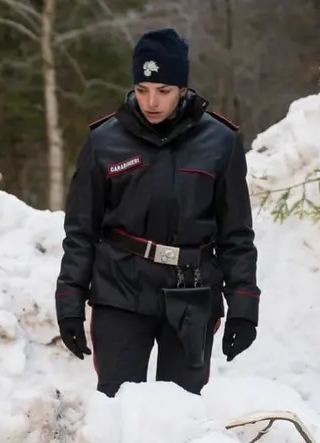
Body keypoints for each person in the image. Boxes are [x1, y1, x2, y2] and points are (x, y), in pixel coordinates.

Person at [54, 27, 261, 397]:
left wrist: (244, 306)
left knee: (182, 416)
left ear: (182, 89)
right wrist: (69, 303)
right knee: (117, 411)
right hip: (119, 291)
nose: (151, 102)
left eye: (163, 91)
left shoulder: (220, 142)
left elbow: (236, 235)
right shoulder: (104, 141)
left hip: (192, 292)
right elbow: (81, 231)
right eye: (142, 90)